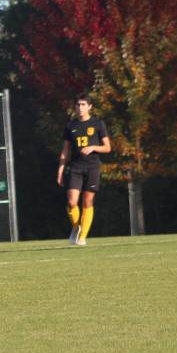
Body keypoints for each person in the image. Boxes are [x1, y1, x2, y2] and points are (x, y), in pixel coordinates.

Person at [57, 94, 111, 245]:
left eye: (83, 105)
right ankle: (76, 227)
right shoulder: (70, 126)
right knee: (72, 201)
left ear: (90, 107)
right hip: (75, 167)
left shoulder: (98, 124)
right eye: (78, 105)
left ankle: (82, 238)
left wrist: (93, 147)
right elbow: (65, 151)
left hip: (92, 167)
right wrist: (60, 170)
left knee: (87, 201)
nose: (80, 108)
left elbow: (107, 147)